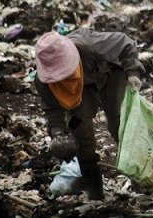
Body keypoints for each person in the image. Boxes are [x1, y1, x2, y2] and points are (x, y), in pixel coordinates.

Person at [34, 28, 145, 200]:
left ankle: (141, 181)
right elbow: (52, 109)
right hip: (80, 91)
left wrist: (132, 72)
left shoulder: (89, 45)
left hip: (109, 75)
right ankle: (94, 191)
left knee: (120, 124)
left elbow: (125, 43)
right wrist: (58, 134)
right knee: (79, 129)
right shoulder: (45, 79)